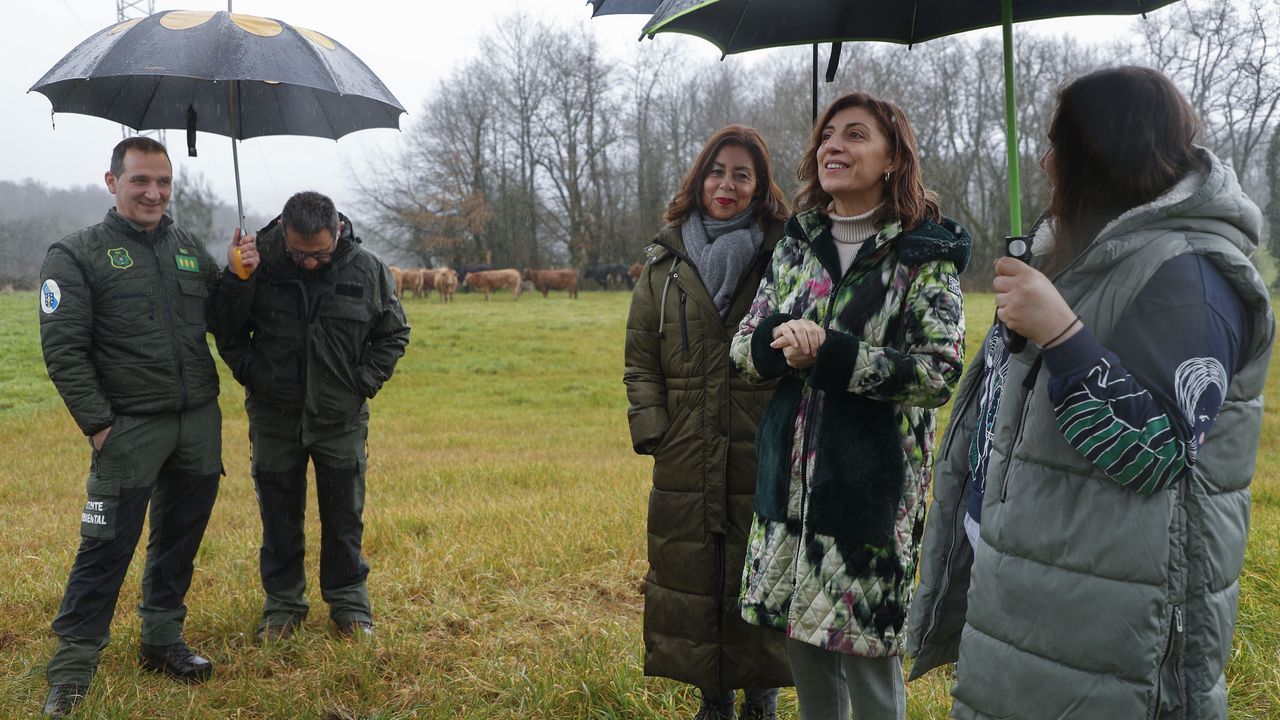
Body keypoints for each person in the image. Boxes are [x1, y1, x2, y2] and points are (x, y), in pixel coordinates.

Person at [907, 66, 1275, 720]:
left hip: (1110, 628)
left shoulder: (1191, 275)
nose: (1046, 164)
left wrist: (1060, 330)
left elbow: (1153, 454)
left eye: (1059, 146)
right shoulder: (1075, 257)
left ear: (1103, 152)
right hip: (1033, 589)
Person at [730, 92, 969, 720]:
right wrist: (778, 343)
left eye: (856, 135)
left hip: (871, 490)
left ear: (893, 160)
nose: (833, 145)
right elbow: (741, 350)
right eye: (827, 135)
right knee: (805, 653)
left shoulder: (924, 253)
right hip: (790, 488)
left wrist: (834, 355)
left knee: (869, 664)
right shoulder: (794, 244)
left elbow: (939, 373)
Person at [37, 137, 230, 717]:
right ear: (112, 181)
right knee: (103, 548)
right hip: (127, 429)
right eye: (141, 181)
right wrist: (100, 427)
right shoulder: (75, 255)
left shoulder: (190, 246)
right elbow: (64, 350)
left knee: (179, 542)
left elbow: (225, 316)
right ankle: (72, 669)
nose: (154, 193)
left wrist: (242, 275)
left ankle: (162, 640)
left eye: (164, 183)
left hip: (197, 423)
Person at [624, 125, 794, 720]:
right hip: (687, 447)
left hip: (765, 442)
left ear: (760, 187)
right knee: (696, 568)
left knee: (763, 567)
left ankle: (763, 697)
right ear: (700, 179)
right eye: (717, 171)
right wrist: (654, 428)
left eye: (742, 174)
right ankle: (713, 700)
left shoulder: (786, 255)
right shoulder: (664, 263)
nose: (727, 184)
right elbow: (641, 354)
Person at [215, 191, 409, 642]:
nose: (307, 263)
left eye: (318, 255)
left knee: (344, 516)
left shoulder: (368, 269)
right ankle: (283, 604)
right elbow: (225, 328)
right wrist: (237, 279)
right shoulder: (256, 260)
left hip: (340, 419)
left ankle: (349, 603)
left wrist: (363, 382)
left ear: (338, 231)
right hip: (274, 418)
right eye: (298, 254)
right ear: (284, 232)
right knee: (279, 517)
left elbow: (393, 332)